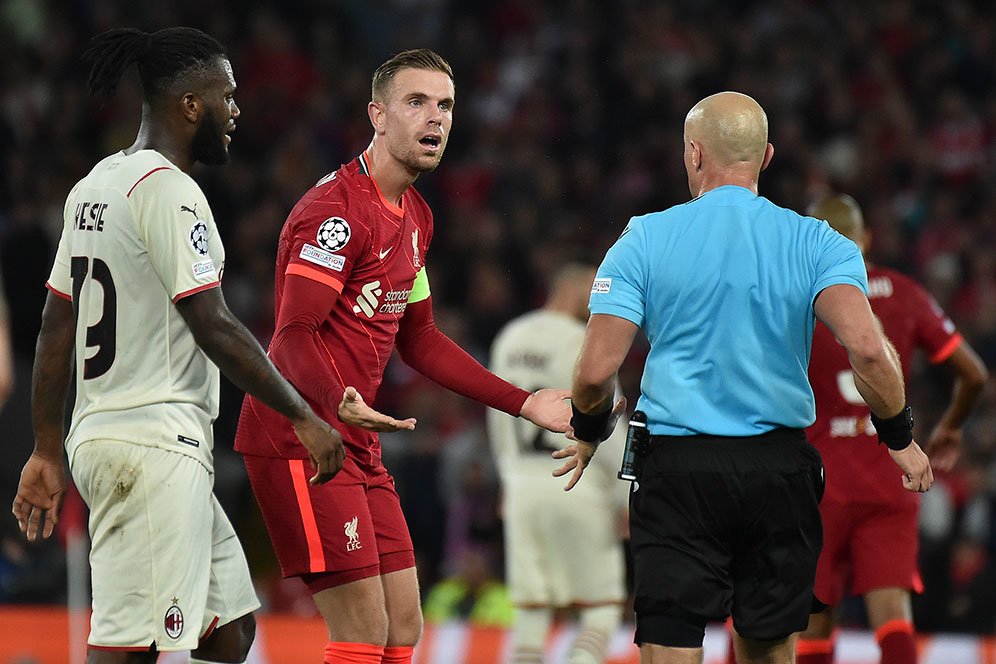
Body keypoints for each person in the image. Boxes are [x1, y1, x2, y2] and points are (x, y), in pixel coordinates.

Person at [552, 91, 934, 664]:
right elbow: (868, 350)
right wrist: (899, 437)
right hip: (777, 471)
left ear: (695, 154)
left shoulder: (643, 238)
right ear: (767, 156)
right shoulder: (819, 242)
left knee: (671, 643)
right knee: (768, 647)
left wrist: (586, 429)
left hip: (676, 471)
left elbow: (596, 370)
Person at [10, 28, 347, 664]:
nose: (236, 111)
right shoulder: (169, 192)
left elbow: (57, 325)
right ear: (191, 105)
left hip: (114, 435)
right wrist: (303, 416)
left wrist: (48, 449)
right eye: (228, 95)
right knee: (128, 649)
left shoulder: (94, 186)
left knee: (230, 628)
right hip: (153, 447)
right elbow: (213, 323)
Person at [233, 49, 571, 664]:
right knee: (361, 633)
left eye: (445, 106)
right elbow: (291, 335)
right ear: (378, 115)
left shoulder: (416, 217)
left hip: (356, 438)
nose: (434, 119)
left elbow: (418, 338)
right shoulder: (334, 211)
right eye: (416, 103)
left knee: (403, 630)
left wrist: (524, 402)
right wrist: (337, 400)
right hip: (299, 434)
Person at [792, 194, 988, 664]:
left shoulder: (798, 299)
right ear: (866, 239)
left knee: (814, 620)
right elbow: (974, 375)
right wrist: (951, 428)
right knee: (893, 615)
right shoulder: (904, 292)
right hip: (892, 474)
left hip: (818, 484)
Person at [488, 263, 628, 664]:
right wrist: (625, 496)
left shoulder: (510, 337)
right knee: (600, 609)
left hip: (522, 486)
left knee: (531, 614)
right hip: (577, 484)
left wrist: (507, 481)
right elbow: (608, 425)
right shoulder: (584, 342)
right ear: (580, 286)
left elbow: (498, 417)